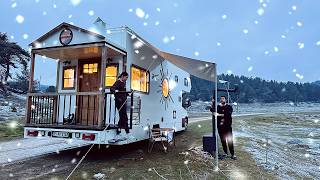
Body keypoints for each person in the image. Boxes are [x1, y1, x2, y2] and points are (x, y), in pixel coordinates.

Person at [216, 95, 237, 160]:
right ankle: (225, 153)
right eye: (221, 98)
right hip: (220, 127)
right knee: (223, 141)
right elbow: (213, 111)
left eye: (223, 99)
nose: (222, 100)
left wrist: (220, 114)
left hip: (227, 127)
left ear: (225, 100)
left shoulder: (229, 107)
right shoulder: (218, 107)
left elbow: (228, 114)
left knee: (230, 140)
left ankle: (232, 154)